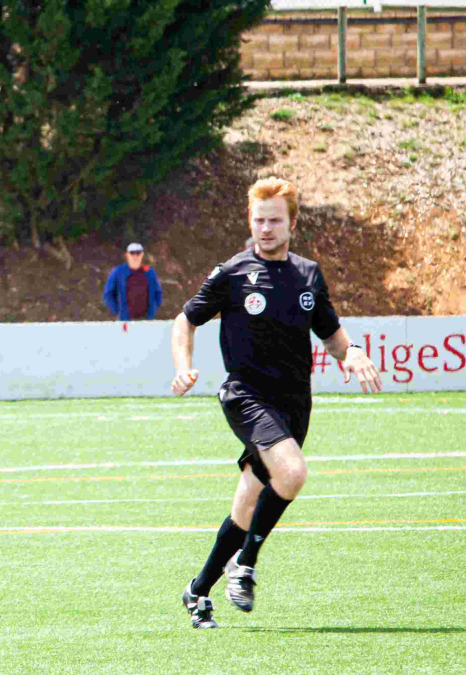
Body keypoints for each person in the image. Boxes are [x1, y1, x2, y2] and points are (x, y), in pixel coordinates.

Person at [170, 178, 382, 629]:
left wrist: (354, 353)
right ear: (250, 220)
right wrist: (183, 366)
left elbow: (331, 334)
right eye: (258, 220)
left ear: (292, 223)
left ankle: (197, 590)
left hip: (294, 402)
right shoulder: (231, 273)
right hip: (247, 395)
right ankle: (245, 567)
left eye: (274, 221)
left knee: (247, 504)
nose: (265, 228)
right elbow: (185, 320)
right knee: (293, 472)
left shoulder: (308, 274)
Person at [103, 242, 163, 321]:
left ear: (142, 255)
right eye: (132, 253)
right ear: (127, 255)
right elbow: (108, 293)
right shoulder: (118, 272)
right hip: (125, 321)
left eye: (138, 253)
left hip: (146, 320)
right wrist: (117, 311)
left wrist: (153, 310)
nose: (135, 256)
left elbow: (158, 293)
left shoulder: (149, 273)